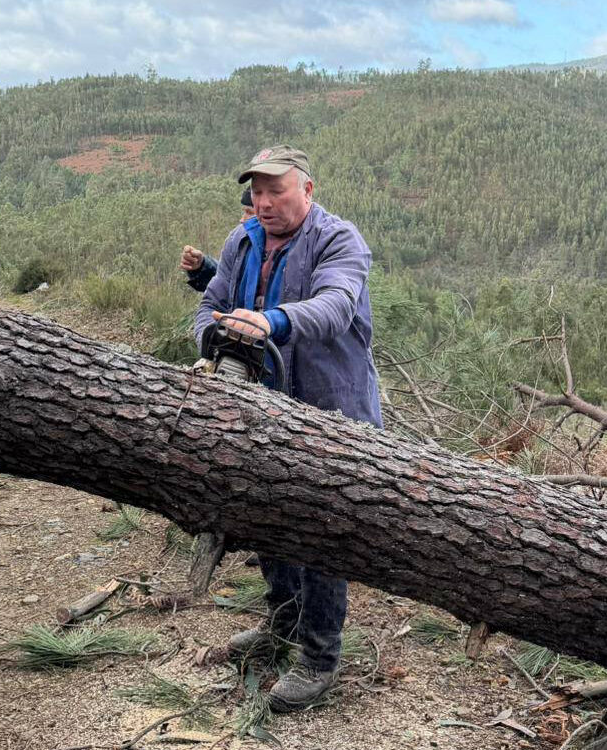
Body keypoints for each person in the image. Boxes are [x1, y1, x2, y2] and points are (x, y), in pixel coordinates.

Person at [194, 145, 382, 712]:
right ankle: (281, 626)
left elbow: (334, 308)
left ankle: (319, 657)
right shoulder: (242, 239)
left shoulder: (339, 240)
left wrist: (272, 322)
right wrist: (213, 336)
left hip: (334, 411)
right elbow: (212, 302)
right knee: (268, 518)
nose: (266, 201)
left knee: (323, 530)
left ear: (308, 189)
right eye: (257, 190)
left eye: (278, 189)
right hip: (261, 409)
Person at [181, 188, 255, 292]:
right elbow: (227, 281)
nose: (242, 220)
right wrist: (201, 266)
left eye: (249, 212)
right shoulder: (240, 242)